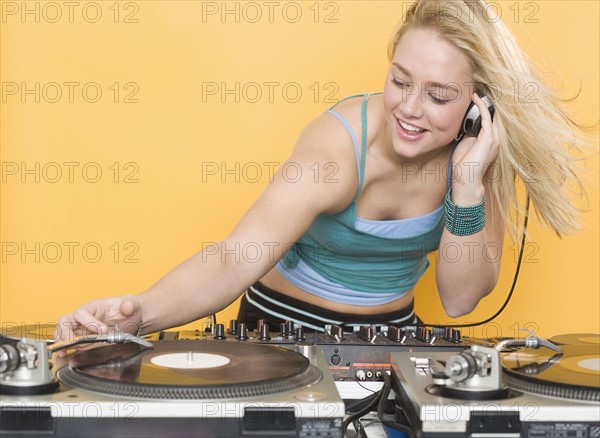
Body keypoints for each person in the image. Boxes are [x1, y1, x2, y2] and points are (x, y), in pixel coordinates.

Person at [55, 0, 586, 345]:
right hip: (278, 331)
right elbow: (232, 259)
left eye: (440, 96)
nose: (410, 108)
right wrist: (136, 316)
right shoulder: (335, 149)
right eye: (400, 81)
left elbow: (460, 298)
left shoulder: (478, 155)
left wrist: (468, 184)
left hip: (390, 341)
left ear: (479, 104)